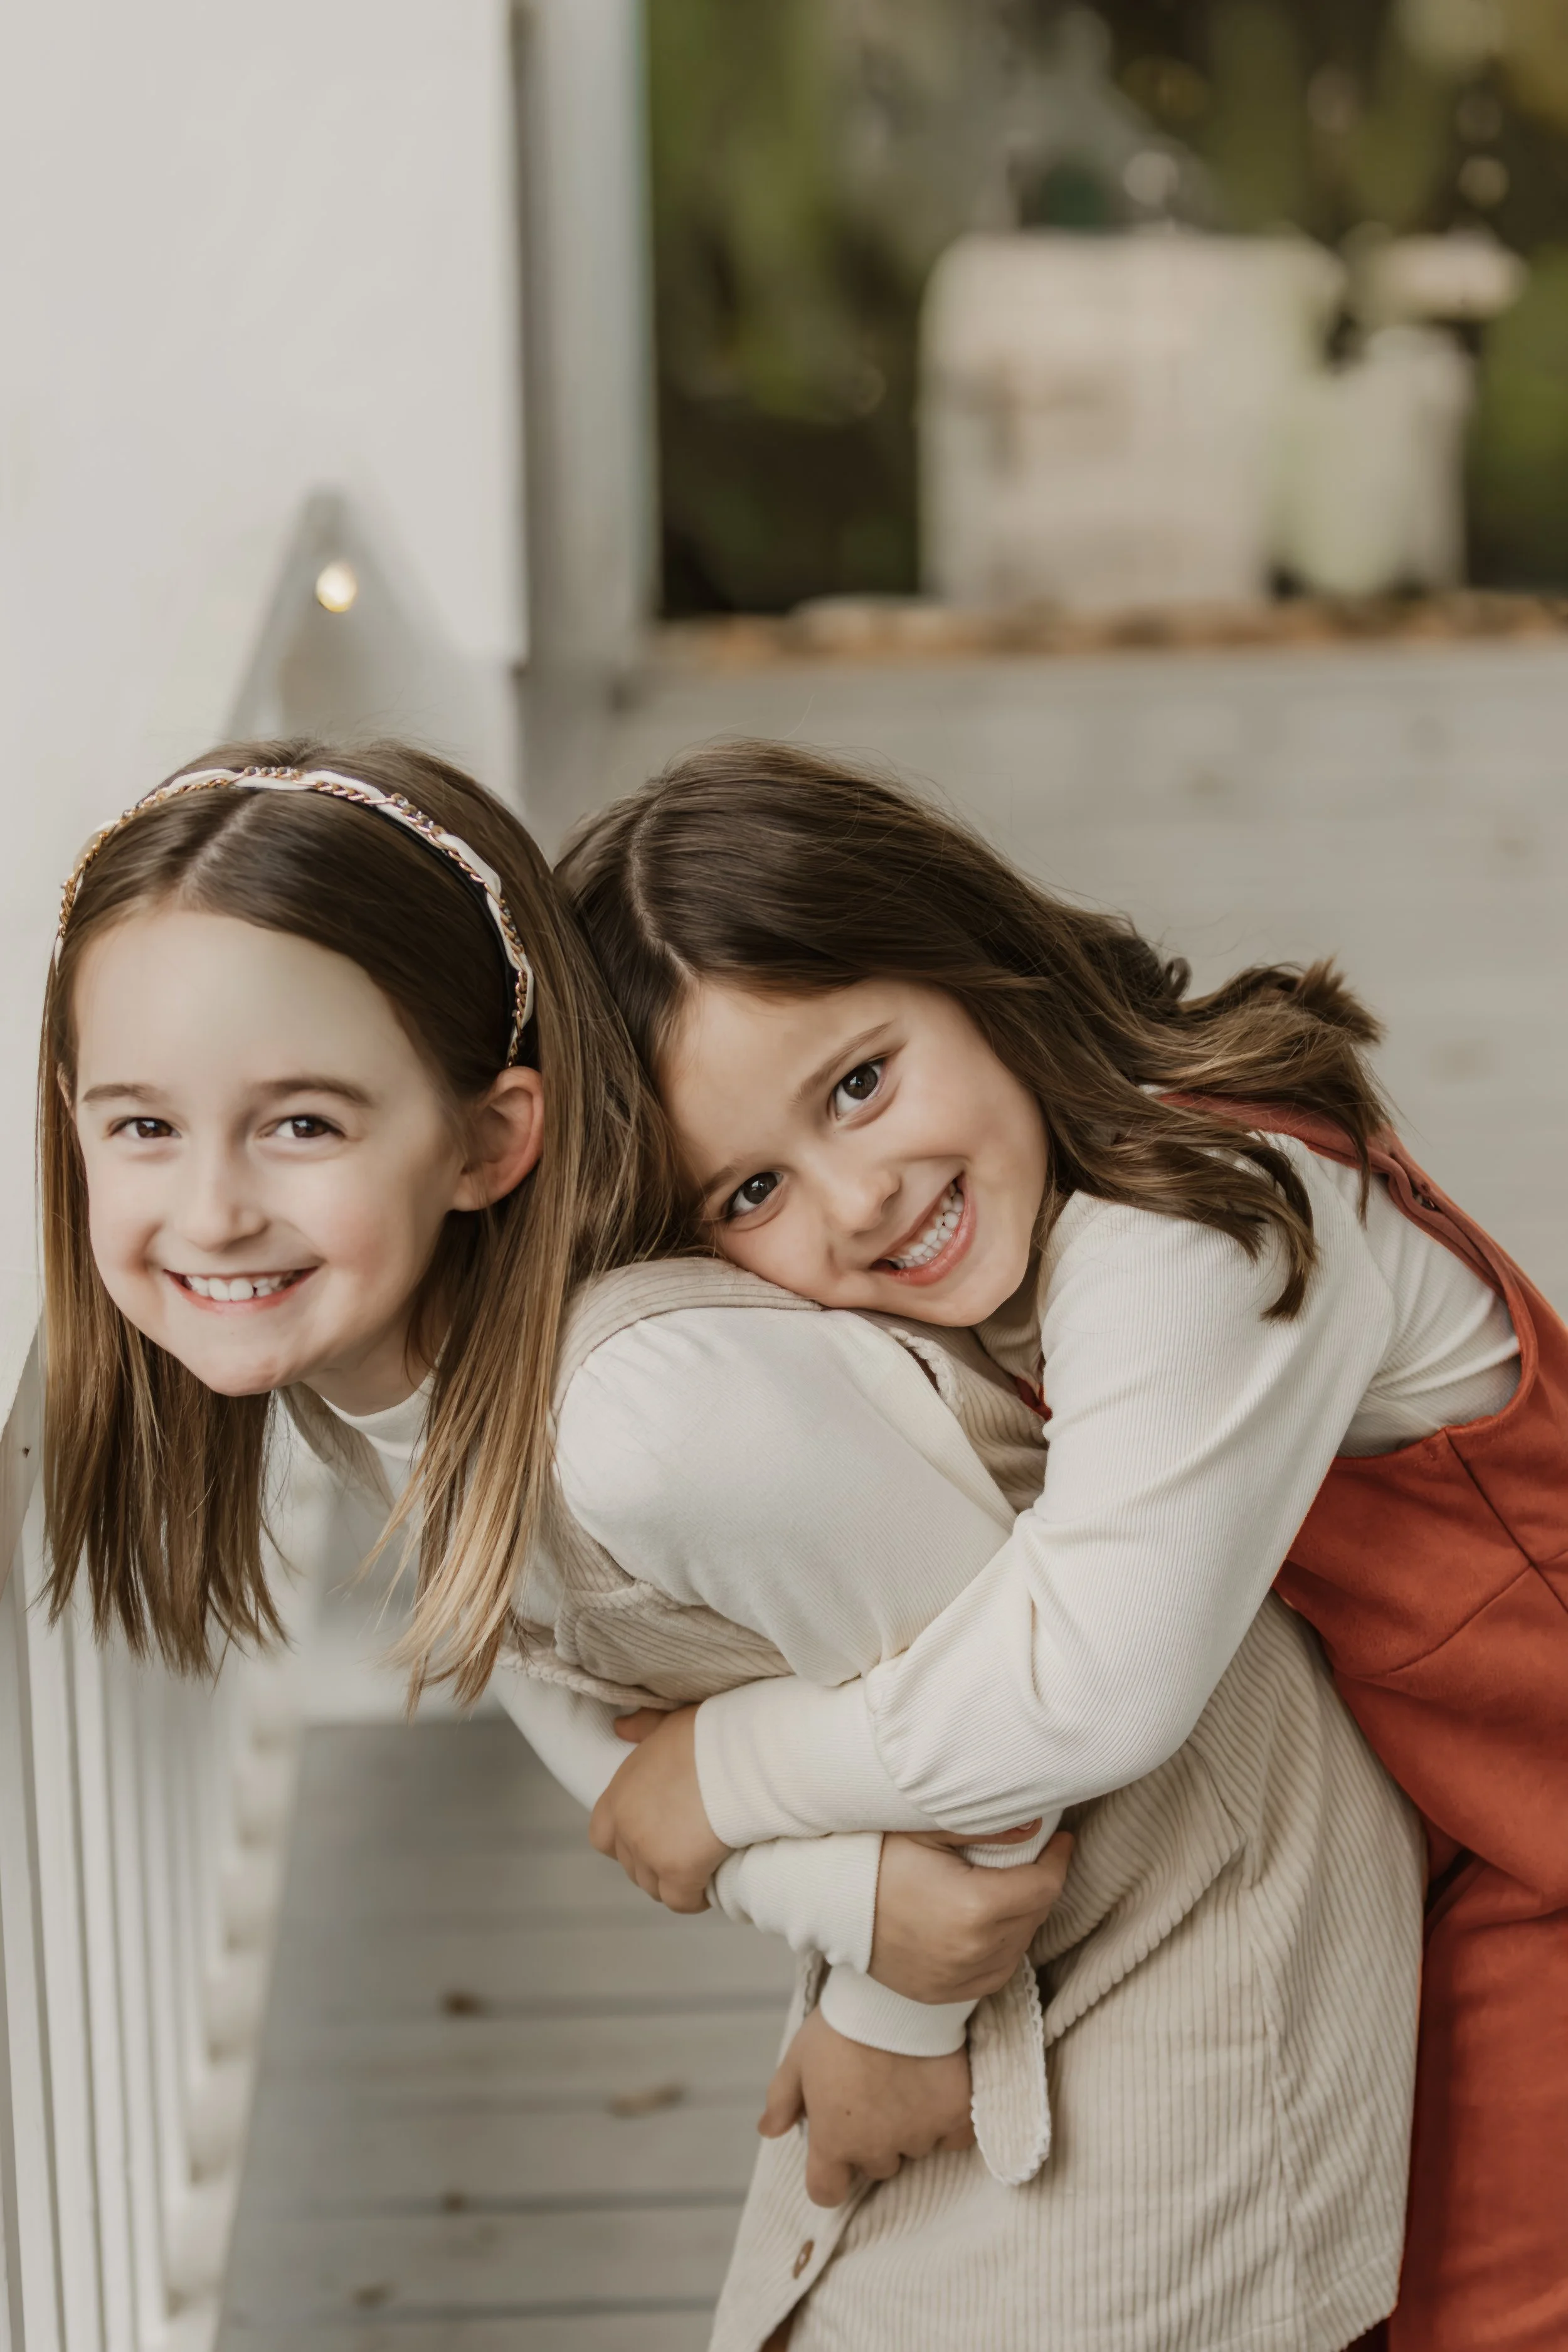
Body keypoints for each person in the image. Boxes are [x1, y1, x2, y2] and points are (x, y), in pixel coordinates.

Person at [41, 738, 1421, 2352]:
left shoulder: (649, 1414)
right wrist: (838, 1899)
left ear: (491, 1142)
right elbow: (590, 1716)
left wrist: (882, 1988)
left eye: (300, 1125)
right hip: (967, 1958)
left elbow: (1016, 1725)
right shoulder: (361, 1355)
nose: (209, 1213)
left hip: (1175, 1953)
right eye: (140, 1128)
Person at [559, 736, 1568, 2352]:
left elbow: (1092, 1680)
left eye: (860, 1081)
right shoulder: (1011, 1226)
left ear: (976, 964)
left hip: (1537, 1827)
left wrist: (726, 1775)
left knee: (1486, 2310)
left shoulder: (1206, 1210)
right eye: (751, 1190)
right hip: (1421, 1824)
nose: (858, 1198)